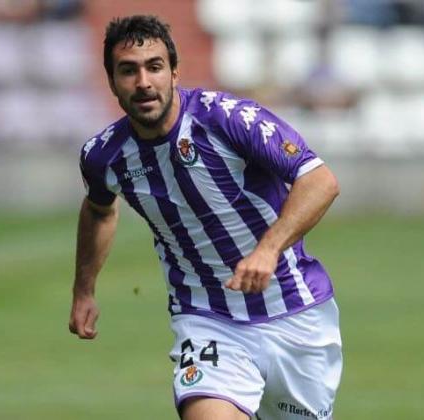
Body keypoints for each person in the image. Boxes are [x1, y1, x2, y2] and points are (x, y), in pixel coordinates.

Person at [69, 15, 342, 420]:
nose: (143, 81)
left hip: (295, 313)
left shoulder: (229, 119)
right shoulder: (104, 156)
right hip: (206, 318)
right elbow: (99, 209)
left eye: (154, 67)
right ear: (111, 81)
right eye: (128, 70)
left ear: (174, 72)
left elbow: (319, 180)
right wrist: (84, 290)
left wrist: (267, 251)